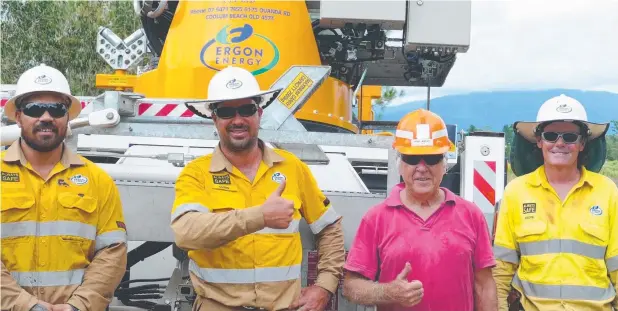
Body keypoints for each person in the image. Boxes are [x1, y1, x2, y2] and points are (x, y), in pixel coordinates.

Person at [171, 66, 346, 311]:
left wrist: (325, 286)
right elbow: (186, 233)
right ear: (214, 119)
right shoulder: (196, 173)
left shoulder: (292, 167)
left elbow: (329, 227)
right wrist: (260, 217)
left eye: (246, 109)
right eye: (226, 112)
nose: (238, 120)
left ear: (259, 113)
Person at [341, 109, 498, 311]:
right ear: (399, 164)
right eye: (413, 159)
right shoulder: (376, 218)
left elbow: (484, 286)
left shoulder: (471, 215)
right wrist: (388, 292)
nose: (422, 167)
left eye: (431, 158)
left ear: (444, 163)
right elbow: (351, 286)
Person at [0, 63, 128, 311]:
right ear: (18, 116)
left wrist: (78, 306)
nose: (46, 117)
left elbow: (112, 253)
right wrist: (26, 306)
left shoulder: (97, 180)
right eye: (35, 109)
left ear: (68, 116)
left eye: (56, 109)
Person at [493, 94, 617, 311]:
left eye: (569, 137)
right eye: (551, 136)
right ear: (539, 141)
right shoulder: (516, 192)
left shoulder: (607, 192)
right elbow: (501, 270)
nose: (560, 143)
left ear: (582, 143)